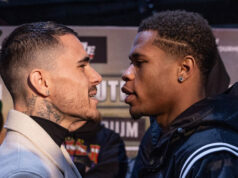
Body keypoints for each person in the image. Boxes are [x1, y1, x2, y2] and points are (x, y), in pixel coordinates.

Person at [121, 10, 238, 177]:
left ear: (184, 69)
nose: (127, 74)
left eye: (139, 63)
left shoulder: (214, 157)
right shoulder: (156, 139)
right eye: (131, 63)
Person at [0, 21, 102, 177]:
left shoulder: (44, 151)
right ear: (42, 82)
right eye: (82, 67)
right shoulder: (25, 173)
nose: (97, 77)